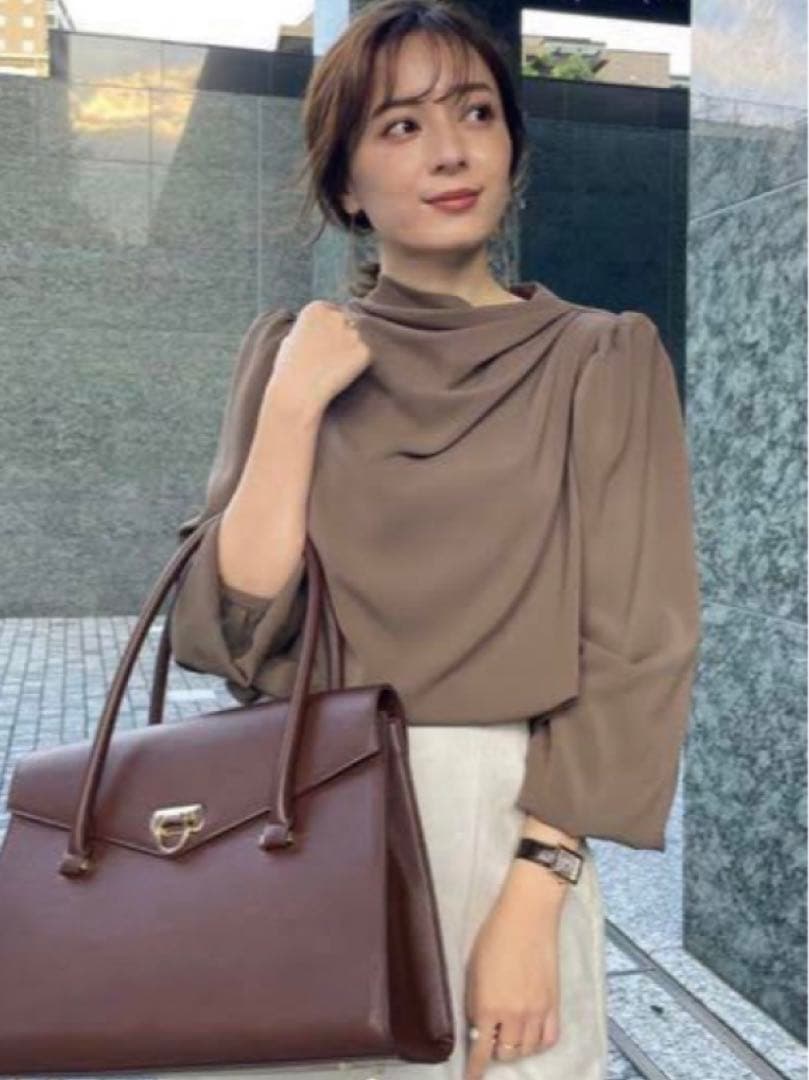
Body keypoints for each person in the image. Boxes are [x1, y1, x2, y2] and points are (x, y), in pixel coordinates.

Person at [166, 2, 702, 1078]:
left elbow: (637, 646)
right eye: (401, 125)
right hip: (291, 816)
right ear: (345, 183)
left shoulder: (597, 358)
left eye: (474, 112)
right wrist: (293, 406)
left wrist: (534, 897)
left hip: (498, 832)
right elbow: (225, 628)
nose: (450, 150)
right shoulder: (289, 351)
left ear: (511, 145)